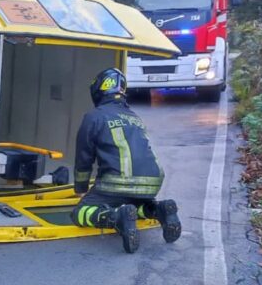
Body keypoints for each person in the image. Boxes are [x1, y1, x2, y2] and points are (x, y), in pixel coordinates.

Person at [70, 67, 181, 253]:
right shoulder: (133, 117)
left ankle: (115, 218)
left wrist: (80, 189)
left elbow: (84, 156)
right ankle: (159, 210)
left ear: (99, 89)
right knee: (133, 205)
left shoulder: (94, 117)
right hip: (152, 183)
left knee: (79, 213)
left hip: (118, 182)